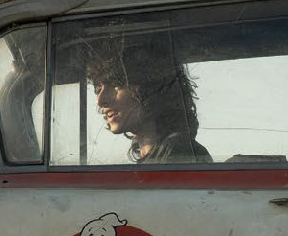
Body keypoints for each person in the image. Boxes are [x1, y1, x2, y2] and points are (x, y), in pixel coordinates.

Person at [87, 35, 212, 164]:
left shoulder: (180, 152)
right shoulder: (160, 157)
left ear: (151, 88)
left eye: (116, 85)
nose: (100, 101)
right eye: (98, 89)